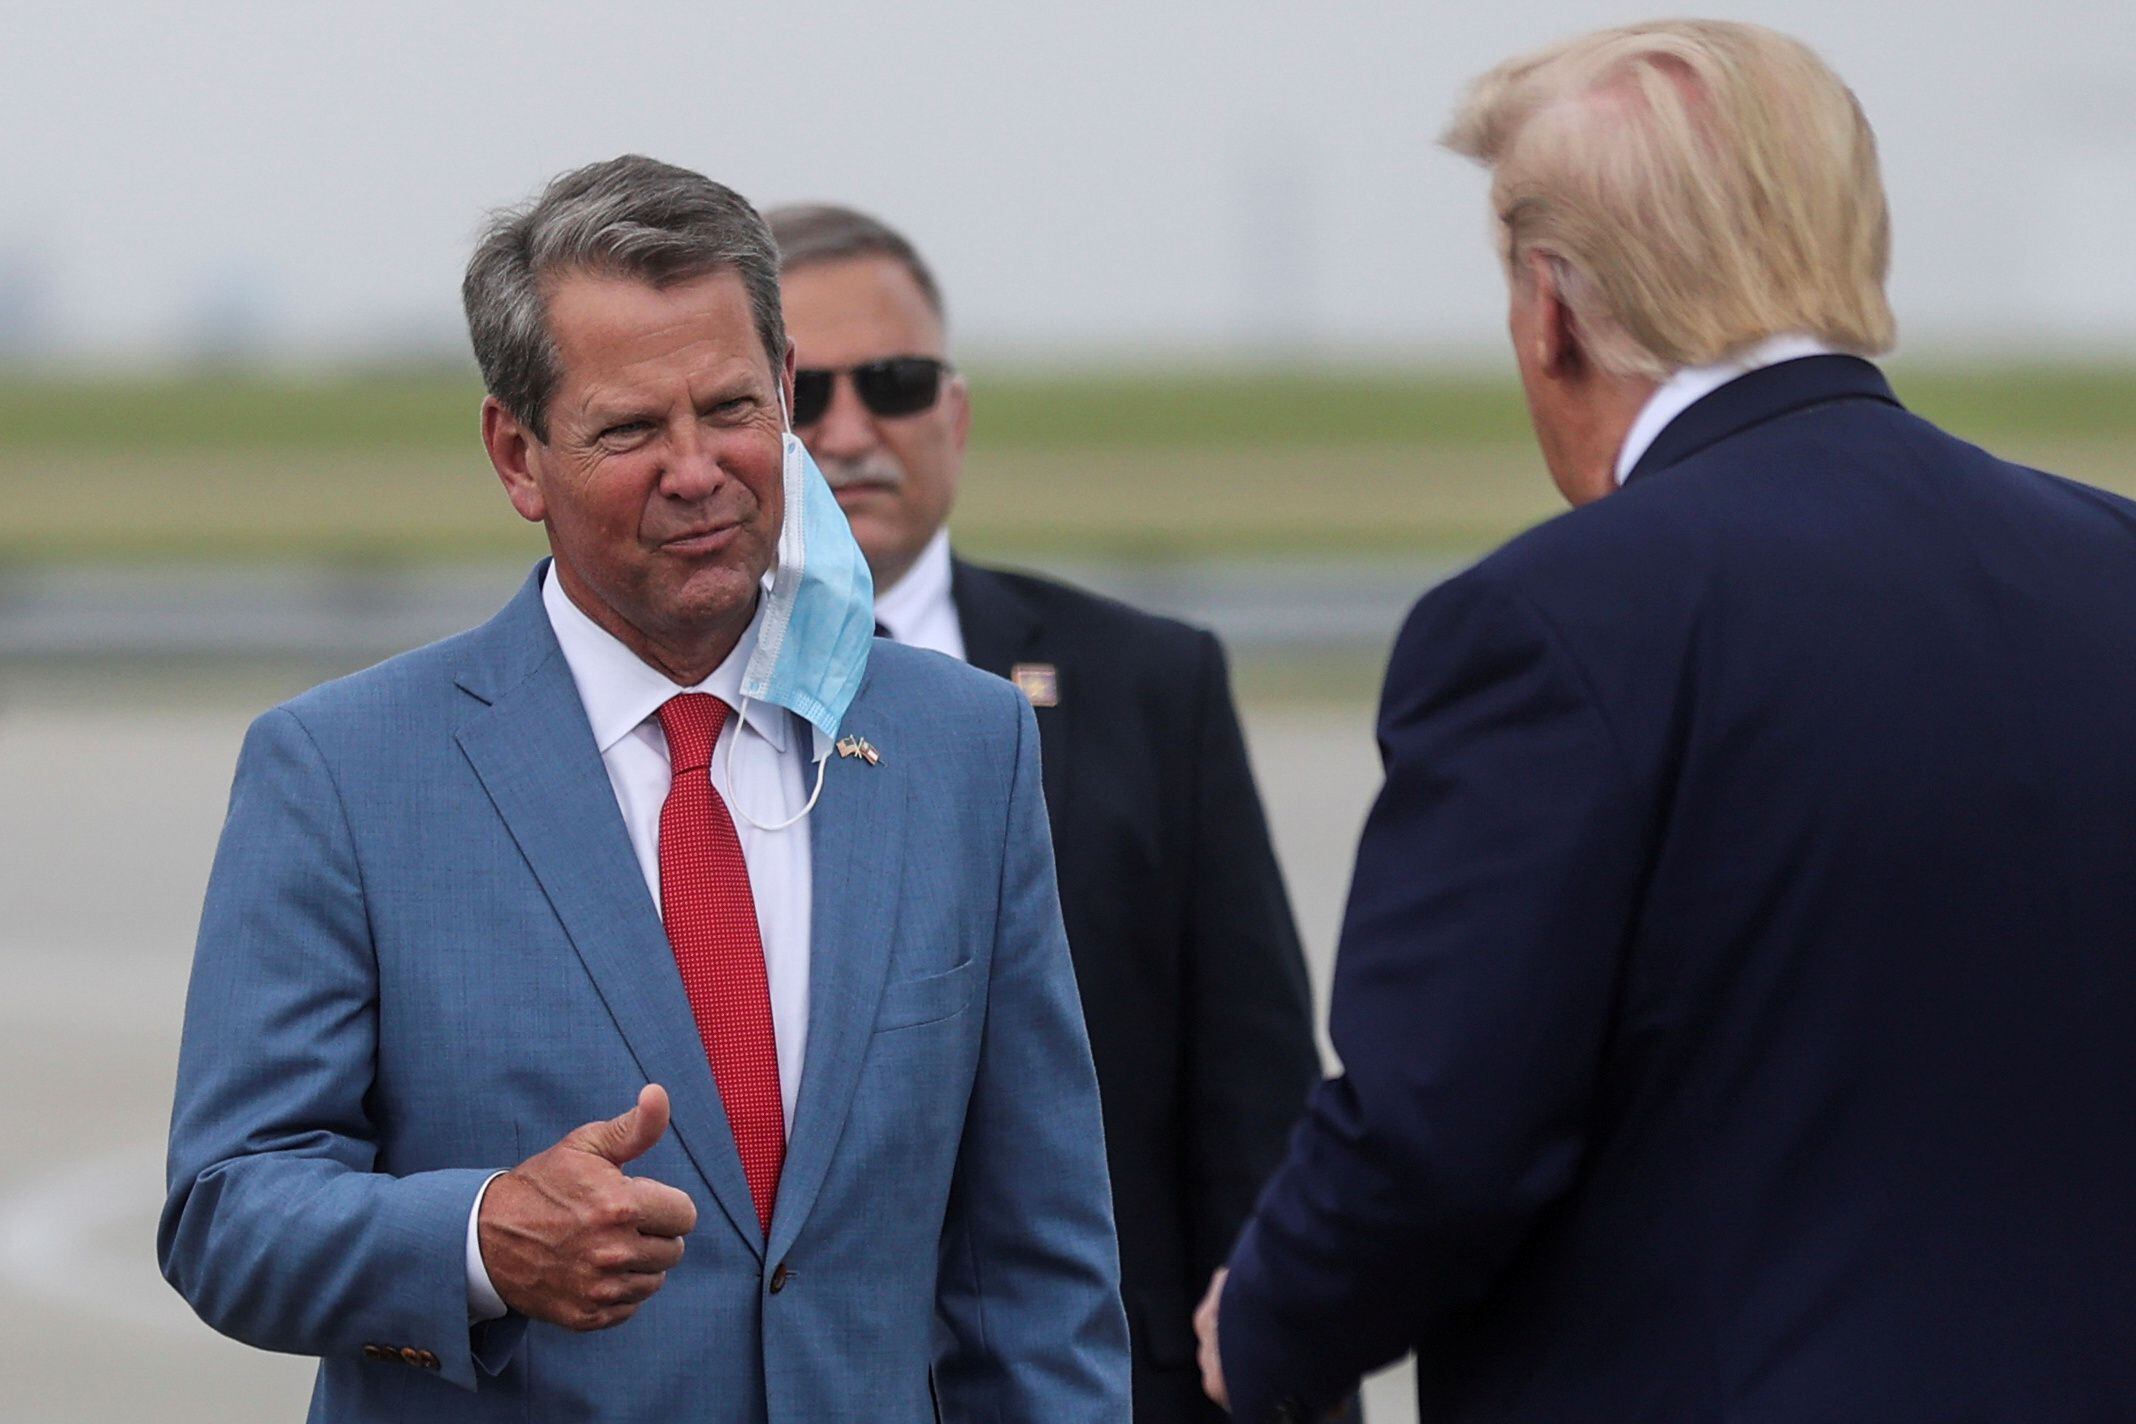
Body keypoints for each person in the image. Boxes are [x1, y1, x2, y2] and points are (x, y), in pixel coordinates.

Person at [1195, 20, 2136, 1424]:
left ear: (1552, 305)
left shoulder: (1550, 626)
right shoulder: (2110, 560)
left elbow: (1436, 1137)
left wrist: (1260, 1330)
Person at [159, 155, 1130, 1423]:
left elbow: (1041, 1275)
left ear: (785, 392)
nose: (697, 468)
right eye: (629, 428)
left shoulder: (966, 747)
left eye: (731, 407)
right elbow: (229, 1206)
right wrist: (479, 1235)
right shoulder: (344, 772)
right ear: (518, 454)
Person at [765, 203, 1324, 1423]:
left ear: (955, 413)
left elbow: (1253, 1097)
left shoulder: (1150, 683)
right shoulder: (664, 713)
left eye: (897, 383)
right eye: (807, 396)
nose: (852, 431)